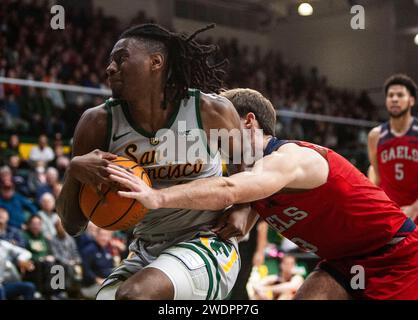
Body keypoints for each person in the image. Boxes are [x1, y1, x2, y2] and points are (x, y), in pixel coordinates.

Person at [108, 88, 418, 300]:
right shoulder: (252, 175)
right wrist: (246, 209)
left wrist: (157, 197)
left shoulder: (290, 158)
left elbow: (233, 188)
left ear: (248, 121)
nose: (209, 135)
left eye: (217, 125)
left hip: (399, 255)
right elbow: (245, 190)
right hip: (343, 261)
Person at [57, 23, 248, 300]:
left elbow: (254, 175)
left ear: (155, 62)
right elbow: (73, 225)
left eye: (121, 58)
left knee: (134, 296)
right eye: (110, 61)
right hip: (146, 248)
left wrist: (245, 210)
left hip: (207, 241)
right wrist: (74, 170)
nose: (110, 68)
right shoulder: (98, 122)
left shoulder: (210, 110)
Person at [368, 74, 418, 222]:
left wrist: (414, 208)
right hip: (389, 212)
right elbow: (376, 174)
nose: (394, 99)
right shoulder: (375, 136)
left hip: (415, 211)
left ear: (411, 101)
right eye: (390, 95)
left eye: (400, 95)